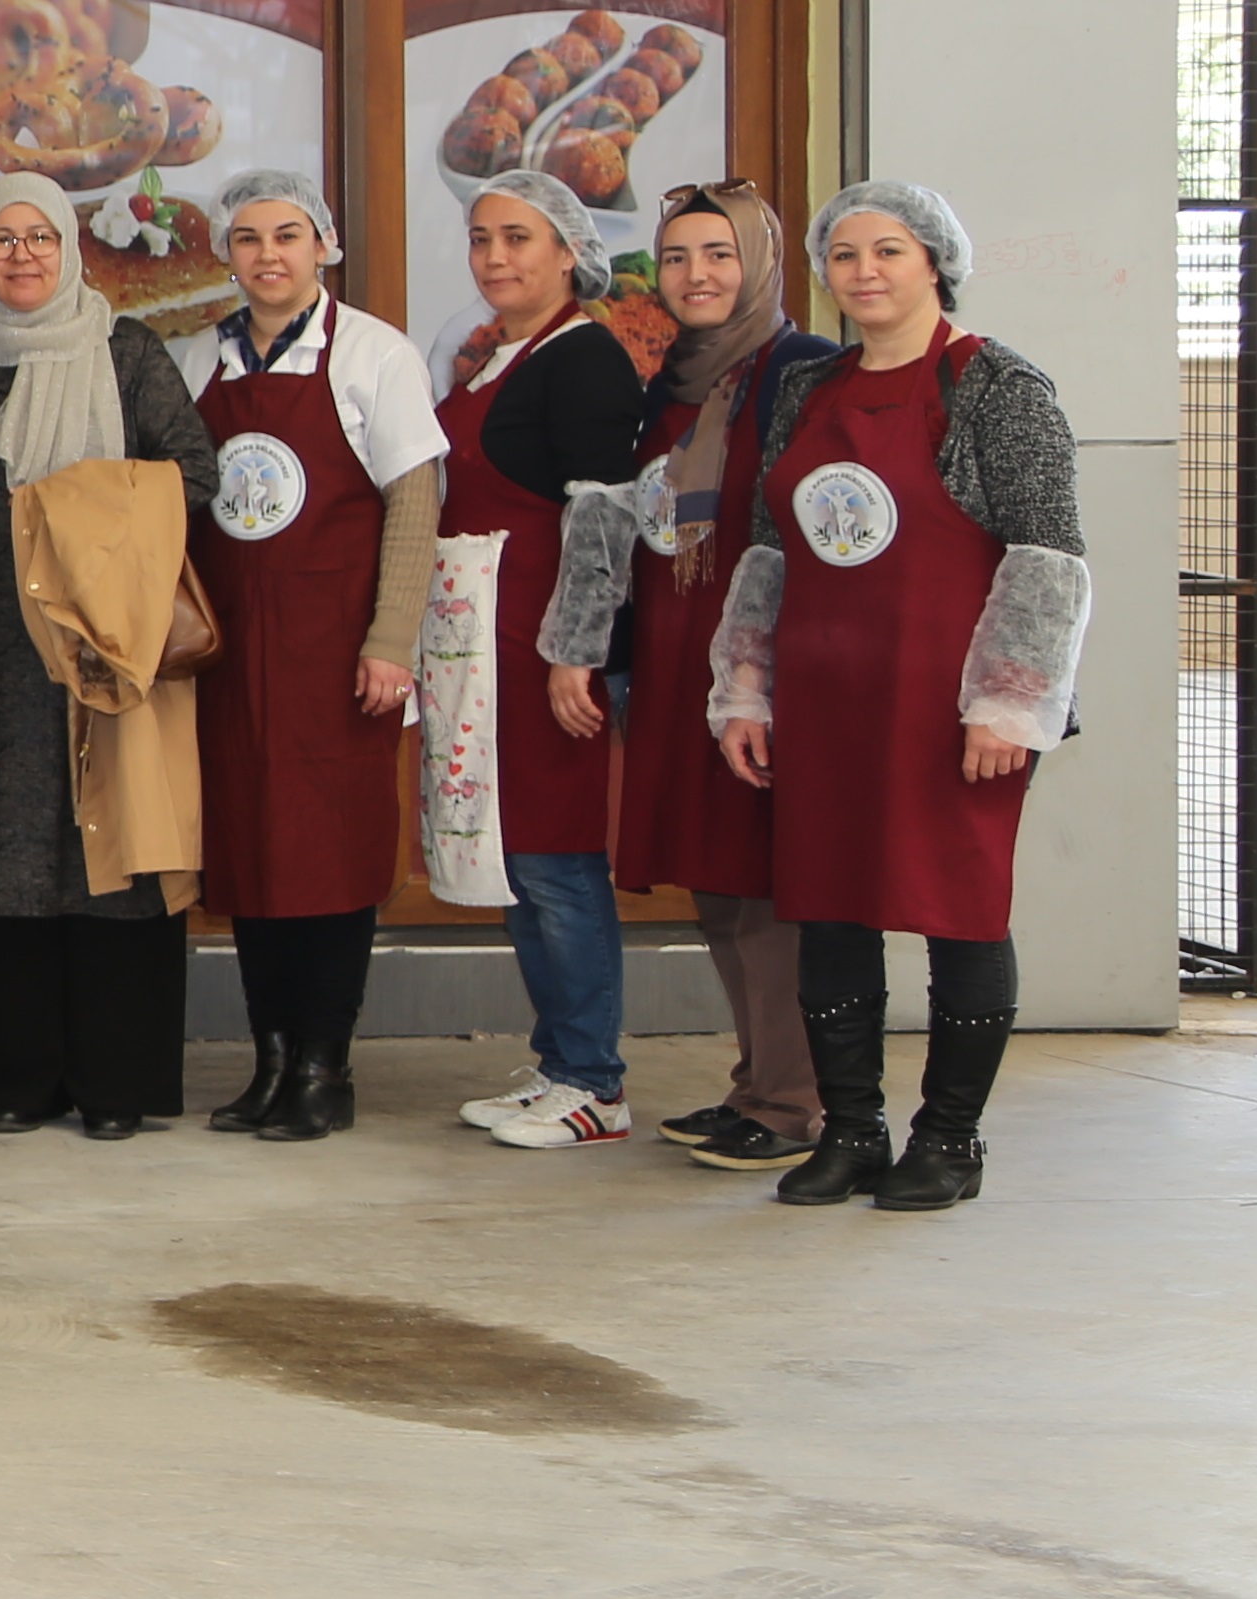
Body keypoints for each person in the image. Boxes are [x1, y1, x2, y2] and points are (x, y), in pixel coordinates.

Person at [714, 181, 1089, 1211]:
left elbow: (1048, 556)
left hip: (953, 707)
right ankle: (852, 1132)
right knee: (831, 911)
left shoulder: (997, 386)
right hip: (825, 700)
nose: (864, 271)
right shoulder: (808, 389)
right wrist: (745, 689)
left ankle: (950, 1140)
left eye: (888, 250)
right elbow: (769, 550)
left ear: (935, 262)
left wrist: (1009, 703)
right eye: (843, 254)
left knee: (960, 912)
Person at [546, 182, 833, 1174]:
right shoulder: (667, 382)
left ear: (761, 263)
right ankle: (756, 1085)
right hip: (676, 663)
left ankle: (795, 1102)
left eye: (719, 254)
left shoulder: (802, 372)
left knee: (767, 888)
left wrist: (769, 676)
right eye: (676, 257)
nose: (696, 274)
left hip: (760, 671)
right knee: (717, 885)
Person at [0, 169, 219, 1138]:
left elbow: (194, 473)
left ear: (69, 248)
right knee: (20, 858)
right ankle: (25, 1079)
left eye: (41, 237)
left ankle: (115, 1085)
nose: (22, 256)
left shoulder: (129, 352)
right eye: (1, 239)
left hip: (110, 649)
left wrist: (69, 511)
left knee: (118, 859)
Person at [187, 172, 444, 1142]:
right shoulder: (198, 356)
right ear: (227, 255)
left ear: (325, 246)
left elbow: (414, 504)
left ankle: (325, 1067)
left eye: (287, 235)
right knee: (251, 854)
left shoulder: (375, 353)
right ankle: (271, 1061)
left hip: (337, 656)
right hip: (233, 658)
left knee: (328, 859)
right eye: (248, 238)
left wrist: (391, 641)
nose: (268, 255)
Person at [439, 169, 659, 1150]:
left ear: (569, 251)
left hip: (545, 653)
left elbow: (605, 517)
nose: (494, 257)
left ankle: (595, 1085)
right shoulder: (500, 356)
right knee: (522, 860)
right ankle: (562, 1061)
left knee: (558, 862)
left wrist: (577, 654)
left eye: (517, 238)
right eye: (481, 238)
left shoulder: (585, 360)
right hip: (493, 648)